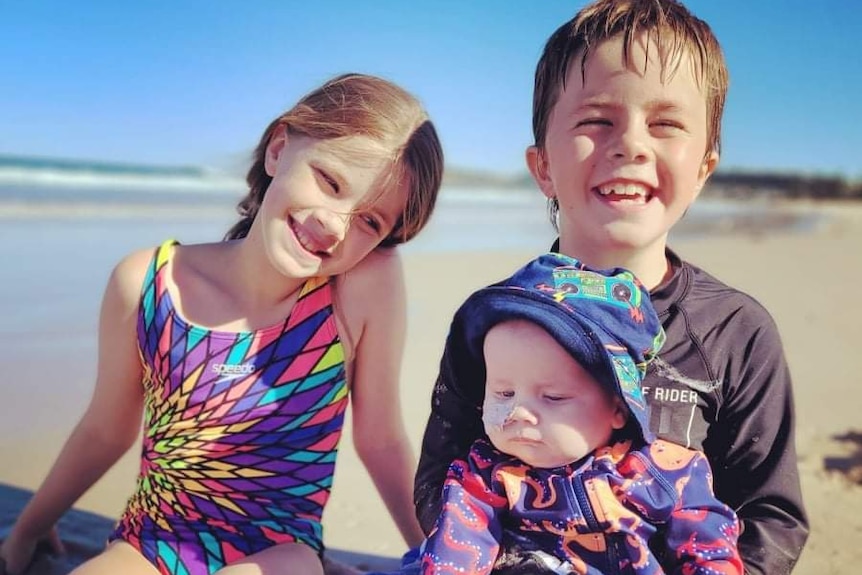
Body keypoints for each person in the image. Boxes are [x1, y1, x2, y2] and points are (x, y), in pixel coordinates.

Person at [414, 1, 808, 573]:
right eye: (596, 120)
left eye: (666, 123)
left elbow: (770, 514)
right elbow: (441, 477)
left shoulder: (735, 332)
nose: (631, 145)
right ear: (543, 165)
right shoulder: (494, 321)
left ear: (702, 169)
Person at [0, 72, 442, 575]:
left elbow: (381, 440)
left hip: (282, 552)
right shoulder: (148, 283)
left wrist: (434, 558)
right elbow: (105, 430)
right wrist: (31, 526)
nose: (334, 223)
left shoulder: (361, 287)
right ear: (279, 150)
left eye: (370, 221)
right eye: (330, 181)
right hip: (152, 542)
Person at [418, 253, 742, 575]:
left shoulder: (669, 473)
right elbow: (456, 554)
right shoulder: (483, 476)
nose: (518, 412)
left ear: (619, 407)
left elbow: (710, 551)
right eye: (504, 393)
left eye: (553, 397)